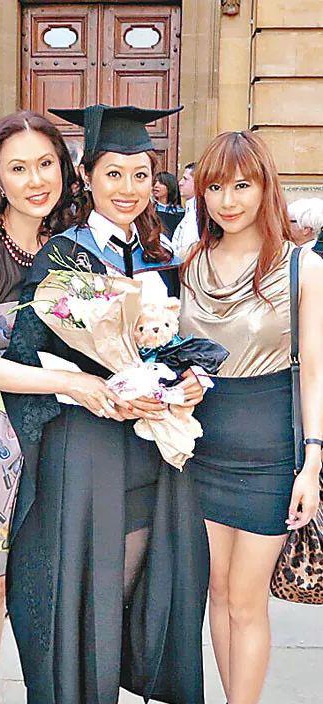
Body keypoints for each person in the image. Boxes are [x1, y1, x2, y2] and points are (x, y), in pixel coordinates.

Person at [3, 104, 210, 704]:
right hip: (86, 450)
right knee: (90, 593)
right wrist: (94, 390)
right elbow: (29, 357)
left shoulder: (161, 255)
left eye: (141, 174)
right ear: (87, 176)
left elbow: (177, 345)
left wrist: (190, 380)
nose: (128, 188)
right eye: (113, 173)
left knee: (140, 585)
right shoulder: (63, 256)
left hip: (150, 451)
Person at [0, 110, 123, 704]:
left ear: (64, 168)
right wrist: (71, 383)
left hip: (37, 432)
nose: (36, 180)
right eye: (18, 168)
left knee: (8, 583)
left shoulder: (63, 248)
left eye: (45, 164)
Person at [180, 131, 323, 704]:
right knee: (216, 593)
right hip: (200, 449)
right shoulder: (190, 266)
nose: (228, 200)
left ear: (266, 187)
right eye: (215, 187)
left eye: (242, 185)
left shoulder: (302, 267)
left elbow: (314, 372)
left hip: (270, 454)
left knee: (246, 598)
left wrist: (312, 463)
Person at [172, 161, 199, 260]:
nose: (180, 183)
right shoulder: (190, 211)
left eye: (185, 179)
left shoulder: (200, 214)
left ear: (198, 182)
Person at [152, 170, 184, 239]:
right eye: (155, 182)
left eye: (161, 183)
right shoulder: (150, 210)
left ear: (170, 186)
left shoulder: (180, 212)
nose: (156, 185)